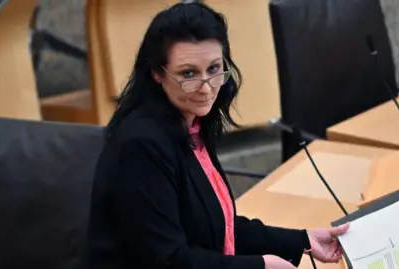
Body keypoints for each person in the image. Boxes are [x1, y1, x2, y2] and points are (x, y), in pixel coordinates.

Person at [86, 2, 350, 269]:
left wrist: (301, 240)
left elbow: (215, 226)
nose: (206, 87)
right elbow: (168, 261)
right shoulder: (141, 145)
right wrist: (260, 266)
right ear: (157, 73)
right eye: (188, 73)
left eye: (214, 69)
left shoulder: (192, 123)